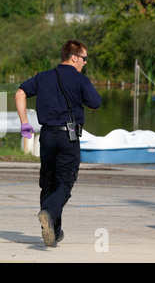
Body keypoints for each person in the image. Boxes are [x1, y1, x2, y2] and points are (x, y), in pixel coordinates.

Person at [15, 39, 101, 247]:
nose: (85, 63)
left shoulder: (43, 77)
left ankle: (54, 230)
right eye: (84, 59)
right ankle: (49, 214)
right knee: (65, 181)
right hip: (68, 137)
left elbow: (20, 93)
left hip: (47, 136)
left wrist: (25, 123)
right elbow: (96, 104)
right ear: (74, 57)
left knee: (48, 182)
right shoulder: (80, 80)